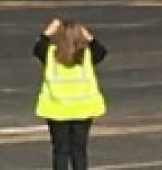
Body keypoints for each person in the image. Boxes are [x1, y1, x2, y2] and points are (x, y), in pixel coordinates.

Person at [34, 18, 107, 170]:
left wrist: (47, 32)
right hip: (82, 109)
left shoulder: (49, 55)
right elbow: (101, 52)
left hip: (56, 110)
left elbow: (37, 48)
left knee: (60, 151)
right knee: (79, 151)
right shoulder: (86, 55)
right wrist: (89, 37)